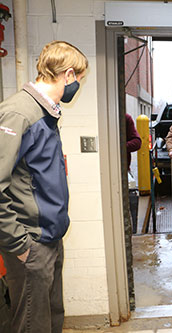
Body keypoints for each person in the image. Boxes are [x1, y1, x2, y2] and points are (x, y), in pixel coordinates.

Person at [0, 41, 88, 332]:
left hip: (49, 237)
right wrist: (19, 244)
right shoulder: (20, 113)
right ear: (68, 75)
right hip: (30, 242)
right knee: (31, 325)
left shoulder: (46, 113)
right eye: (80, 79)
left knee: (51, 318)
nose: (78, 85)